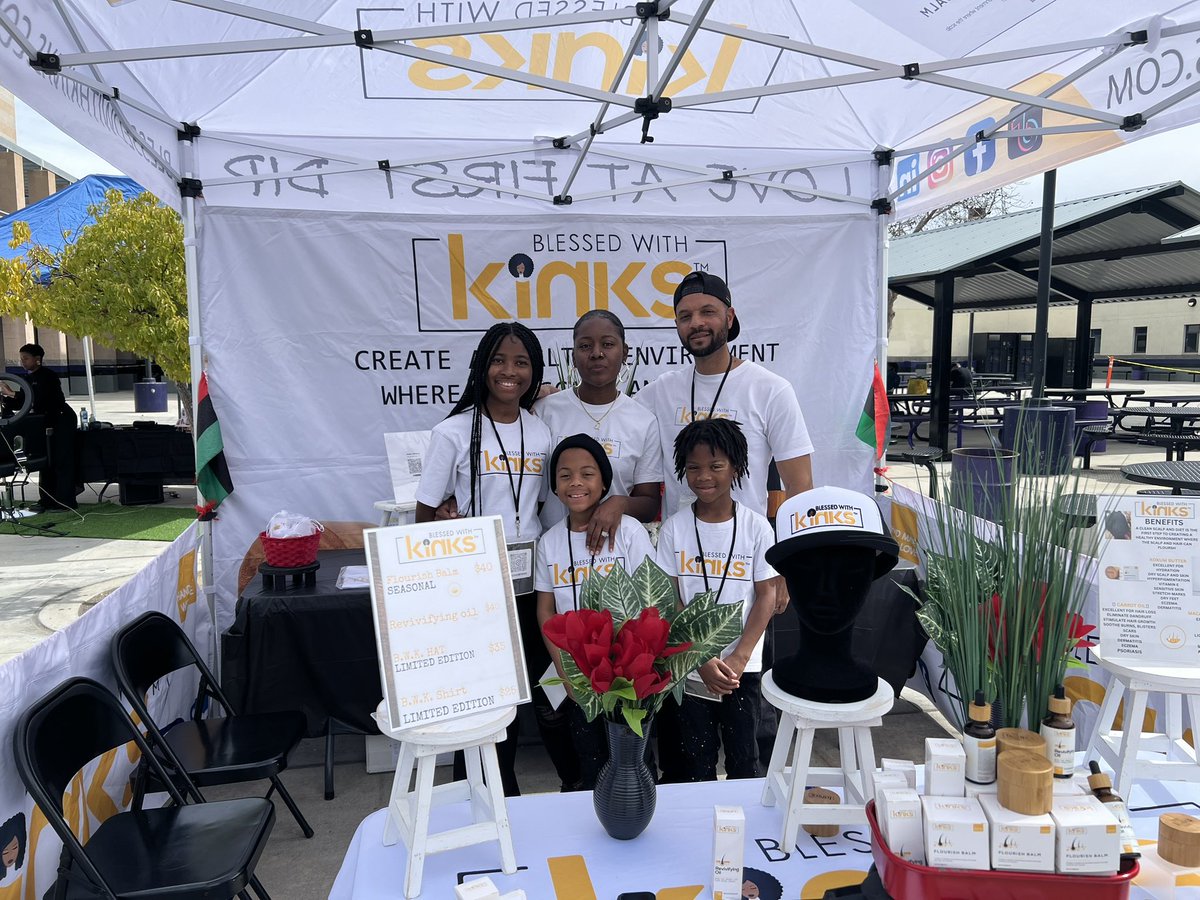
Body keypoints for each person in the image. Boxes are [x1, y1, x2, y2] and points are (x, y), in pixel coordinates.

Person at [414, 322, 577, 795]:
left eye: (521, 362)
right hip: (476, 586)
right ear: (482, 366)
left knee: (549, 685)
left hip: (532, 583)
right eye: (499, 361)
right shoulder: (452, 432)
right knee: (487, 696)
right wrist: (448, 520)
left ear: (534, 370)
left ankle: (575, 780)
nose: (510, 371)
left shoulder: (541, 431)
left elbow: (544, 507)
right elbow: (425, 516)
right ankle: (489, 792)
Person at [634, 271, 814, 523]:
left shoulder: (771, 390)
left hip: (747, 544)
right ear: (677, 325)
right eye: (685, 316)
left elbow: (800, 485)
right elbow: (612, 416)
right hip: (678, 544)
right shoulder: (660, 391)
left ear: (729, 318)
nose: (696, 323)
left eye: (707, 312)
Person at [655, 419, 776, 783]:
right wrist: (700, 657)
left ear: (736, 467)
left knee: (745, 760)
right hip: (691, 668)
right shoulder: (674, 528)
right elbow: (670, 599)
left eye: (715, 466)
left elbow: (766, 595)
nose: (704, 476)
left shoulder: (756, 527)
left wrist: (739, 657)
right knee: (696, 762)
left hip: (742, 670)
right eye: (694, 467)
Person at [535, 433, 655, 789]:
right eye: (565, 475)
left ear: (604, 483)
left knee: (634, 762)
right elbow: (546, 611)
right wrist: (564, 669)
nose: (576, 483)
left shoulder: (630, 532)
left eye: (587, 474)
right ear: (554, 486)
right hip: (578, 676)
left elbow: (650, 600)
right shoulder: (549, 543)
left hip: (627, 675)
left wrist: (636, 663)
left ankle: (637, 811)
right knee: (591, 762)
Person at [535, 310, 661, 549]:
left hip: (615, 551)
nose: (596, 353)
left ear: (624, 353)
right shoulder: (545, 411)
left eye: (608, 344)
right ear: (573, 356)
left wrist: (619, 503)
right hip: (554, 552)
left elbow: (649, 503)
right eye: (585, 346)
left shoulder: (643, 421)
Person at [0, 343, 78, 511]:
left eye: (26, 358)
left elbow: (41, 398)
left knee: (61, 460)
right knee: (46, 460)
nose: (23, 362)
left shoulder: (48, 376)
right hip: (43, 423)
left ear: (37, 359)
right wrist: (6, 397)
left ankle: (65, 502)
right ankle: (47, 500)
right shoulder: (28, 378)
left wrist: (12, 393)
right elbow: (23, 402)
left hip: (61, 420)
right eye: (21, 359)